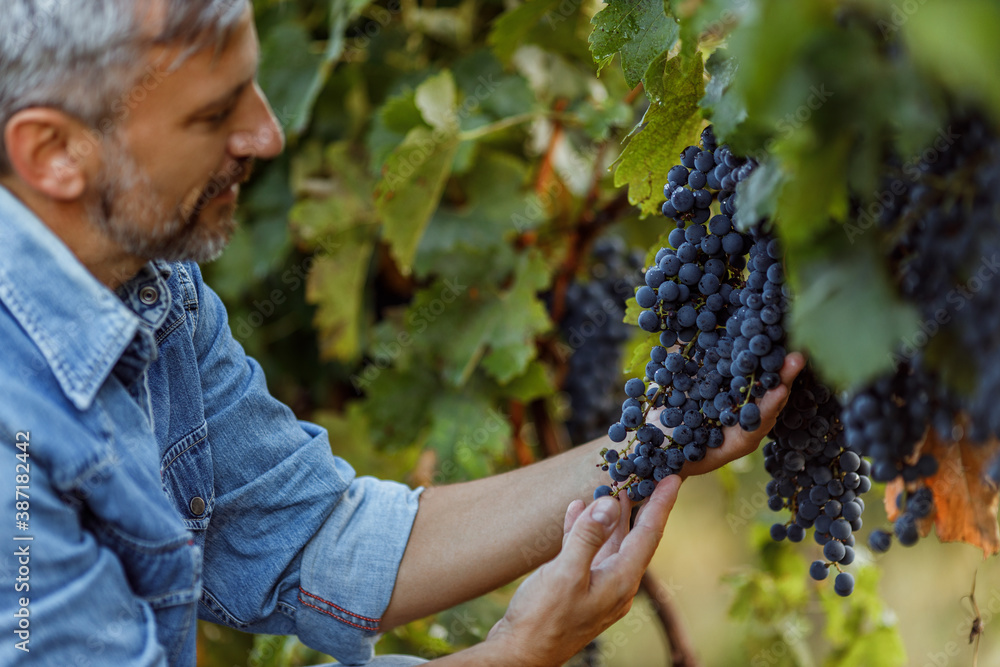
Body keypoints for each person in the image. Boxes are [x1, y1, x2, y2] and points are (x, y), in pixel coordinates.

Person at [0, 1, 804, 665]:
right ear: (54, 151)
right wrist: (515, 652)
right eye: (216, 114)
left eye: (252, 88)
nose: (268, 135)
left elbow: (313, 534)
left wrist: (655, 440)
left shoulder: (149, 289)